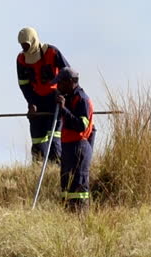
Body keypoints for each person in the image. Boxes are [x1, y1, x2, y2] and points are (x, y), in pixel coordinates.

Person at [16, 27, 69, 164]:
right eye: (22, 46)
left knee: (54, 138)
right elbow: (24, 84)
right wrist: (31, 102)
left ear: (33, 41)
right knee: (37, 139)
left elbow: (68, 74)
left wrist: (62, 95)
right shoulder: (21, 59)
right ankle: (38, 168)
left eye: (26, 45)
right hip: (36, 101)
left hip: (54, 99)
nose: (24, 48)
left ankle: (56, 169)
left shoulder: (52, 52)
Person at [54, 68, 95, 212]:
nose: (58, 86)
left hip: (79, 148)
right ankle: (67, 219)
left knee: (78, 187)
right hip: (68, 148)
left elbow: (81, 126)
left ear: (70, 82)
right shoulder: (69, 97)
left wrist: (64, 109)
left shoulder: (82, 99)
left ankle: (80, 219)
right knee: (66, 187)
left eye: (60, 83)